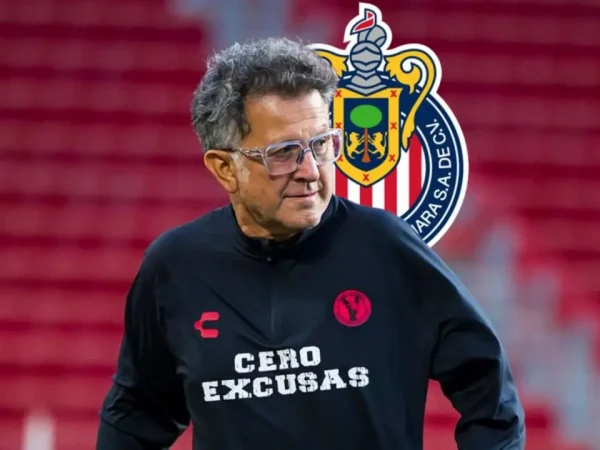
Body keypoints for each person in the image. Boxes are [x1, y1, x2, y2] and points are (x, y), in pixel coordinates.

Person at [95, 37, 525, 450]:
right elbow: (137, 414)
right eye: (283, 153)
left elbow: (485, 382)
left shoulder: (385, 248)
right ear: (225, 168)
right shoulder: (176, 267)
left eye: (321, 145)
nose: (311, 171)